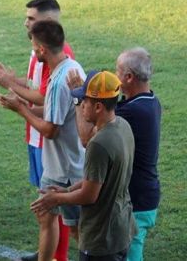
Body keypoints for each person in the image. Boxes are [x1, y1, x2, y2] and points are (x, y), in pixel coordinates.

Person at [0, 0, 74, 261]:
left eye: (31, 18)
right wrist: (13, 81)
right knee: (46, 205)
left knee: (52, 204)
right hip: (34, 135)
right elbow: (36, 85)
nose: (26, 23)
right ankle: (47, 250)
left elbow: (46, 96)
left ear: (47, 22)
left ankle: (58, 256)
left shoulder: (58, 54)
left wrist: (12, 92)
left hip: (47, 138)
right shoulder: (40, 49)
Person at [32, 71, 137, 260]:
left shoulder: (98, 144)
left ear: (97, 106)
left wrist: (55, 199)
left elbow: (89, 195)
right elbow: (97, 179)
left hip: (101, 239)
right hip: (121, 229)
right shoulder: (123, 126)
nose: (80, 106)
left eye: (83, 101)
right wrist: (66, 190)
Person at [69, 48, 161, 261]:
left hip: (136, 201)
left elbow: (86, 137)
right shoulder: (149, 102)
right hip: (144, 195)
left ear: (129, 77)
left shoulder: (130, 113)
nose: (114, 75)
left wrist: (78, 98)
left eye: (117, 71)